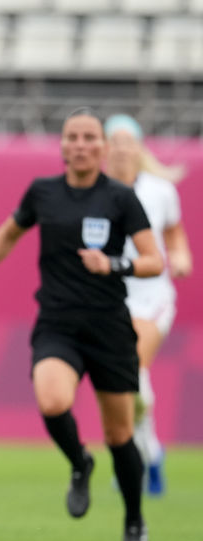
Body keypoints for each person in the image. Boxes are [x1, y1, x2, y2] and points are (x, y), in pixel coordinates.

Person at [0, 108, 163, 541]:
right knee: (51, 401)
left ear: (103, 148)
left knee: (121, 434)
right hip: (58, 322)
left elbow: (154, 261)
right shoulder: (43, 192)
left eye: (90, 137)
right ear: (63, 145)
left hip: (109, 327)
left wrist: (115, 264)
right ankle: (79, 462)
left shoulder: (121, 198)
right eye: (73, 137)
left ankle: (134, 520)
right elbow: (8, 234)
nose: (81, 144)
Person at [104, 114, 193, 496]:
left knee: (131, 368)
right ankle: (149, 453)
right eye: (115, 140)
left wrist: (181, 255)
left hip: (152, 296)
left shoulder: (159, 191)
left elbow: (173, 232)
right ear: (105, 148)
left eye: (129, 140)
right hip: (111, 300)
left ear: (139, 147)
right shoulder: (94, 190)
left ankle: (135, 459)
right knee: (128, 387)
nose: (122, 147)